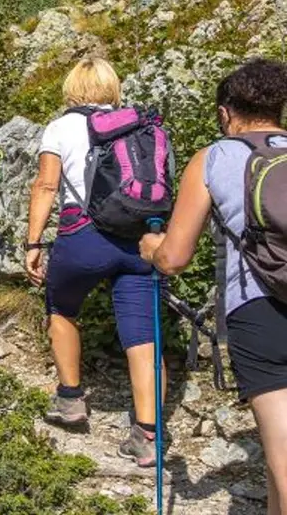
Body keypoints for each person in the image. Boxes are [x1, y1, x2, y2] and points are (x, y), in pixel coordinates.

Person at [141, 59, 287, 515]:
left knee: (283, 453)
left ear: (226, 113)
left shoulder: (215, 157)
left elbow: (175, 258)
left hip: (258, 308)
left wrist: (151, 248)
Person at [25, 57, 164, 465]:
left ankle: (70, 399)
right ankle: (147, 435)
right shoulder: (140, 123)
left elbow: (47, 184)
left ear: (71, 88)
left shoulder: (61, 127)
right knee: (143, 336)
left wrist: (33, 242)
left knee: (63, 309)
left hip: (82, 237)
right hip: (140, 239)